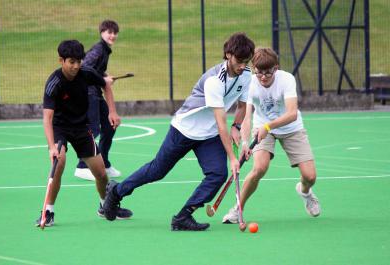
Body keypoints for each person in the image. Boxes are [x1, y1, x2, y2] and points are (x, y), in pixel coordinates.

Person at [102, 32, 255, 231]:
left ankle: (183, 217)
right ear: (228, 54)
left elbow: (242, 107)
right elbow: (220, 123)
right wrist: (233, 158)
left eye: (246, 61)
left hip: (208, 135)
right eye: (239, 61)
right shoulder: (214, 80)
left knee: (217, 174)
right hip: (184, 129)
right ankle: (116, 191)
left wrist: (237, 127)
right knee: (157, 170)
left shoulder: (246, 75)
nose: (242, 65)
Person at [35, 40, 132, 227]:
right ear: (61, 60)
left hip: (81, 127)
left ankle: (105, 206)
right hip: (59, 128)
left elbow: (106, 85)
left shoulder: (86, 73)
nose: (76, 66)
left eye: (79, 61)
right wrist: (52, 147)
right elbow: (47, 119)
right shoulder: (54, 83)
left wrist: (112, 111)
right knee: (59, 163)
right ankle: (48, 211)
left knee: (101, 174)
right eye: (71, 61)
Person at [222, 47, 321, 224]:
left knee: (310, 177)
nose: (263, 77)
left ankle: (305, 191)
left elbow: (292, 114)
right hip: (262, 128)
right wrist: (245, 143)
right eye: (259, 73)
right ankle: (238, 209)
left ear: (276, 68)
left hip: (291, 128)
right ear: (253, 69)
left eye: (268, 73)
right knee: (259, 168)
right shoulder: (250, 83)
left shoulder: (286, 79)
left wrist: (269, 126)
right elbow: (246, 117)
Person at [74, 20, 122, 181]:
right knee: (93, 129)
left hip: (96, 93)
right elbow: (84, 67)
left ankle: (104, 163)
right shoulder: (99, 49)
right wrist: (103, 78)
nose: (112, 35)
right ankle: (82, 166)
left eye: (115, 32)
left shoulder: (105, 50)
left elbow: (96, 70)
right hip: (87, 93)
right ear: (102, 32)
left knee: (110, 126)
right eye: (109, 32)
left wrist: (104, 76)